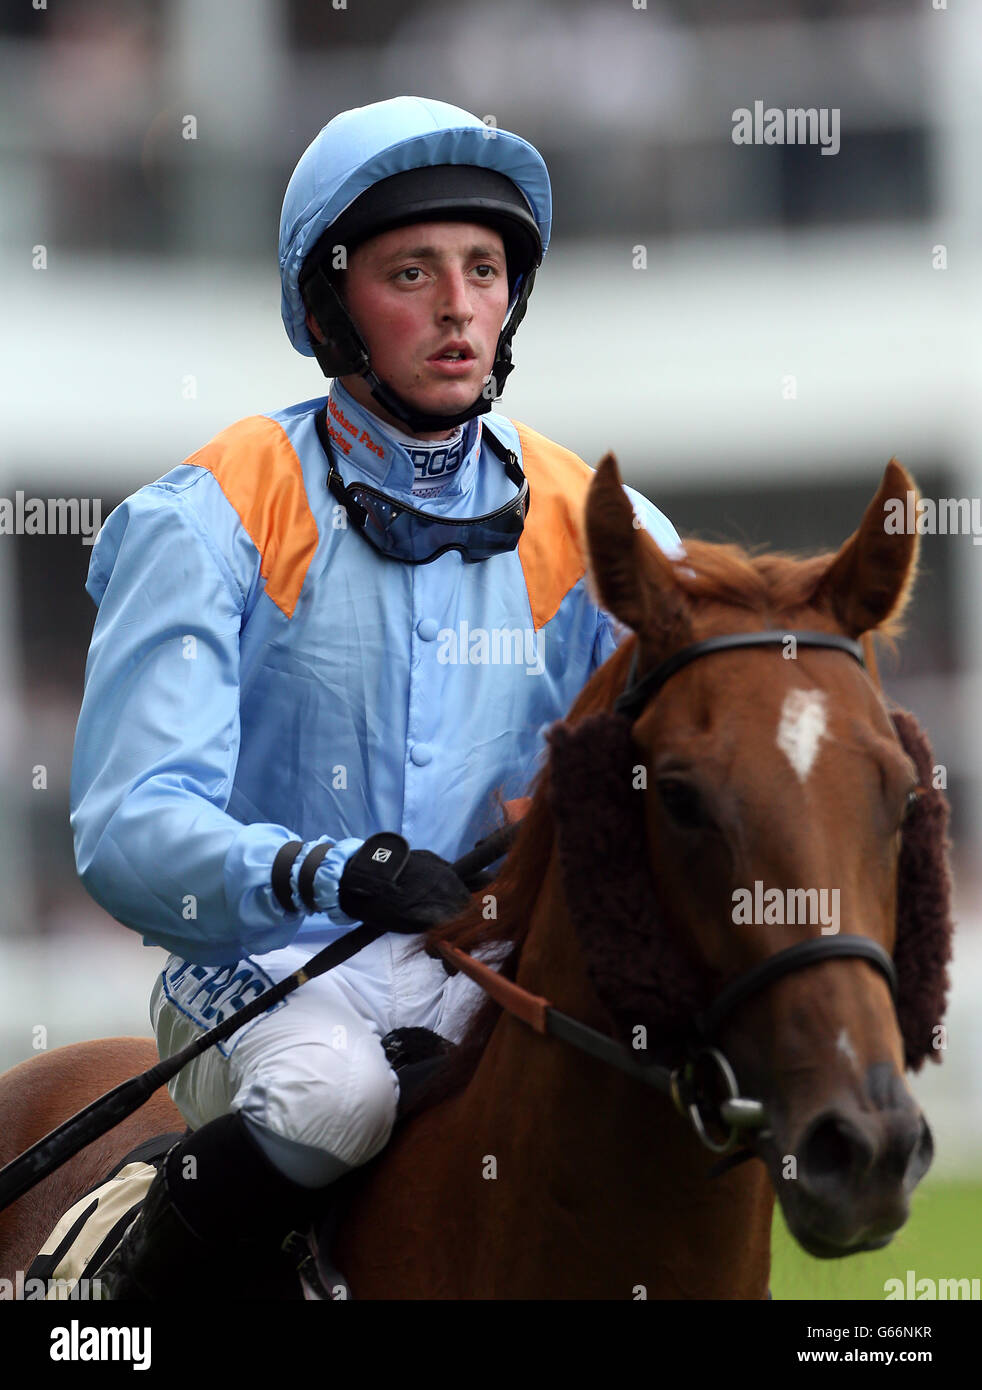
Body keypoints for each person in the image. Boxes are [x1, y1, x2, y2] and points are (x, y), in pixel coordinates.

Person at [70, 95, 682, 1298]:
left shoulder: (597, 527)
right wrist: (332, 871)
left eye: (485, 270)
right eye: (412, 271)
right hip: (265, 959)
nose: (459, 306)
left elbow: (703, 725)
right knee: (331, 1095)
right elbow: (126, 828)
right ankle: (104, 1297)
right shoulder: (210, 514)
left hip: (487, 967)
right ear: (326, 308)